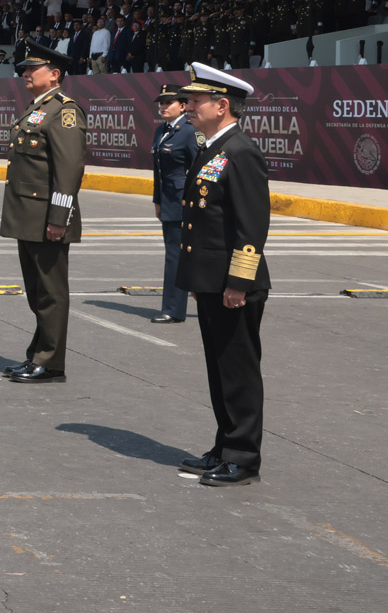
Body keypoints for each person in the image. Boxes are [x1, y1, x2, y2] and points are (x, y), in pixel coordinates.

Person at [174, 64, 271, 487]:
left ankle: (243, 456)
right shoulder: (211, 147)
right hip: (213, 282)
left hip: (235, 285)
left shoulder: (241, 151)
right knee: (219, 370)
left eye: (196, 100)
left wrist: (238, 282)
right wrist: (200, 280)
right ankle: (224, 445)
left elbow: (251, 226)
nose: (188, 106)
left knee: (238, 370)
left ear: (222, 104)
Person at [0, 42, 86, 384]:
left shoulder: (64, 111)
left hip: (46, 218)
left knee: (50, 292)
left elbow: (68, 171)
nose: (24, 74)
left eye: (31, 69)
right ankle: (38, 353)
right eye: (24, 69)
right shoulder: (39, 108)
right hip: (28, 216)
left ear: (54, 75)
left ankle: (50, 362)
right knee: (37, 291)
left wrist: (57, 219)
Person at [150, 84, 201, 324]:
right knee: (180, 256)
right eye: (160, 103)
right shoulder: (161, 131)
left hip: (184, 202)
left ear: (182, 105)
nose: (162, 107)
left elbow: (200, 169)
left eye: (167, 103)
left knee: (175, 257)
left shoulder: (190, 132)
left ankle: (172, 309)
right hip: (168, 203)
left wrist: (195, 203)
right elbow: (158, 171)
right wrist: (157, 201)